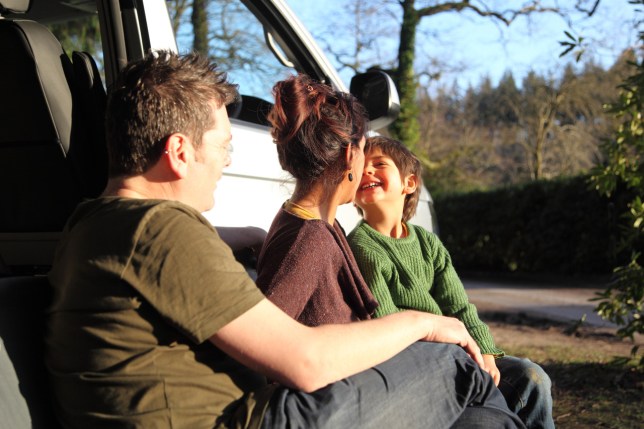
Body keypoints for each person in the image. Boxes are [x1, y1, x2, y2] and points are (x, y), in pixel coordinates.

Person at [44, 51, 522, 429]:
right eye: (223, 146)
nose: (227, 161)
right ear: (179, 152)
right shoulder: (162, 230)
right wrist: (425, 323)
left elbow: (159, 258)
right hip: (255, 419)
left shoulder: (95, 222)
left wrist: (249, 235)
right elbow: (305, 361)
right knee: (453, 363)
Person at [255, 73, 524, 428]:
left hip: (359, 378)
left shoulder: (319, 225)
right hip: (339, 397)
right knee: (466, 373)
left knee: (515, 389)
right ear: (349, 156)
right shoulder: (311, 237)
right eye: (365, 151)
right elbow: (266, 339)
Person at [347, 135, 554, 429]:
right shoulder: (362, 247)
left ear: (409, 183)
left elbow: (459, 307)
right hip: (423, 364)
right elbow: (386, 323)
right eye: (361, 168)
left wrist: (486, 353)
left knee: (531, 377)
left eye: (379, 164)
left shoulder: (428, 243)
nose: (367, 170)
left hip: (462, 355)